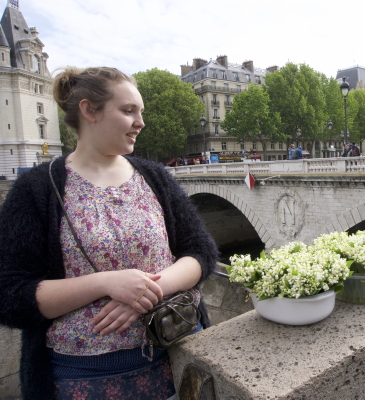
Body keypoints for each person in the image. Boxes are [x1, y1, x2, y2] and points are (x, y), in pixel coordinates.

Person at [0, 67, 219, 400]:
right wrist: (106, 283)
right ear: (89, 111)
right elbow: (10, 296)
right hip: (86, 380)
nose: (140, 121)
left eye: (140, 112)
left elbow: (201, 252)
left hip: (179, 353)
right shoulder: (36, 190)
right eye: (128, 110)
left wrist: (149, 291)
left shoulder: (154, 176)